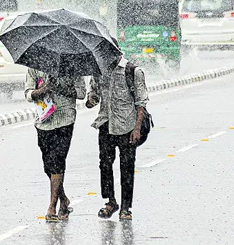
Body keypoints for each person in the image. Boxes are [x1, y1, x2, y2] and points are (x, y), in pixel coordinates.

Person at [87, 53, 149, 221]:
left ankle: (126, 207)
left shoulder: (133, 71)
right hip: (105, 124)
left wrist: (137, 128)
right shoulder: (98, 71)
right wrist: (91, 99)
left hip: (127, 126)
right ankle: (111, 201)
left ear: (117, 54)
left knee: (127, 168)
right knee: (105, 164)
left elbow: (141, 102)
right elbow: (94, 94)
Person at [25, 68, 86, 222]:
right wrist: (43, 90)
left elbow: (81, 93)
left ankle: (52, 206)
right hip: (44, 121)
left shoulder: (73, 65)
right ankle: (63, 199)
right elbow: (28, 93)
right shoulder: (35, 66)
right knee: (48, 166)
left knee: (58, 161)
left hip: (65, 119)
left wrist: (60, 87)